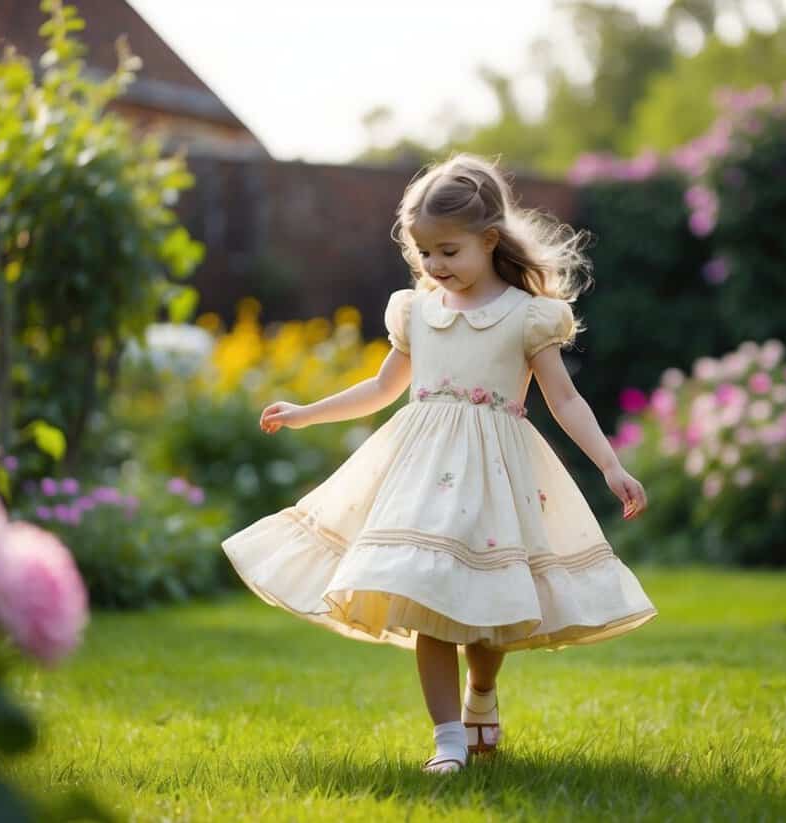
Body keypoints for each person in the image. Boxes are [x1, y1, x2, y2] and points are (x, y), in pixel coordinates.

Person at [221, 152, 658, 775]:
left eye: (449, 251)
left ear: (488, 240)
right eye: (425, 252)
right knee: (425, 596)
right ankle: (448, 739)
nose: (435, 266)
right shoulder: (416, 312)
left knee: (488, 617)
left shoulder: (526, 316)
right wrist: (305, 411)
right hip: (422, 479)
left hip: (496, 481)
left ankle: (482, 691)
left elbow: (564, 399)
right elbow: (378, 390)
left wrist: (610, 466)